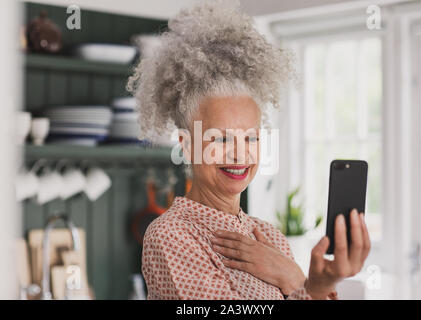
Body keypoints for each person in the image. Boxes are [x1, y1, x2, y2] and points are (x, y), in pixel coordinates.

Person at [127, 0, 370, 300]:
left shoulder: (272, 239)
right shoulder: (171, 235)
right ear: (187, 146)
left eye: (250, 138)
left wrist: (299, 279)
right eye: (221, 139)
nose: (239, 154)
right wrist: (307, 286)